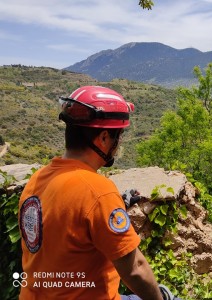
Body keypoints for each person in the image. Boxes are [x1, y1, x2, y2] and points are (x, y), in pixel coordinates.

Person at [18, 86, 173, 300]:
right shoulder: (98, 191)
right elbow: (135, 269)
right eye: (118, 137)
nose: (118, 144)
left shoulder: (38, 179)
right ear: (103, 138)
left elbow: (68, 218)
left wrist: (116, 203)